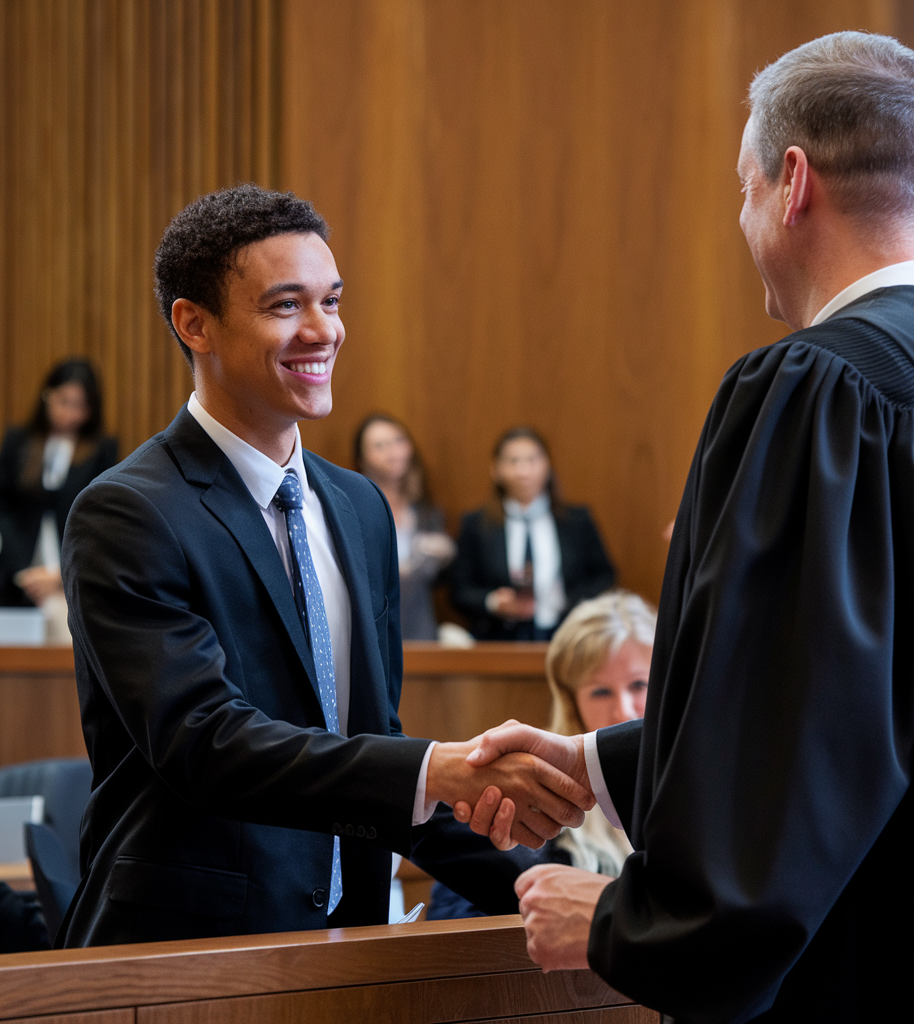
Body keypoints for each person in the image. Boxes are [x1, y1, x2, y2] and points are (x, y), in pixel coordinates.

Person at [461, 32, 914, 1022]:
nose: (742, 215)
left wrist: (625, 920)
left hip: (852, 971)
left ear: (792, 180)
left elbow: (811, 730)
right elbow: (911, 707)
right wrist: (592, 764)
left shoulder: (819, 387)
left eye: (741, 186)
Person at [56, 184, 591, 948]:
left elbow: (369, 751)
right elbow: (207, 745)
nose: (323, 331)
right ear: (193, 323)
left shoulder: (358, 506)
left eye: (332, 301)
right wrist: (437, 769)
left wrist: (565, 894)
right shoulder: (128, 512)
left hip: (348, 947)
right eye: (285, 306)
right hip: (184, 954)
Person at [429, 590, 655, 918]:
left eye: (639, 685)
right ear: (572, 702)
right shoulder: (528, 787)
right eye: (601, 692)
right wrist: (508, 866)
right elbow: (452, 927)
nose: (623, 711)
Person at [451, 426, 616, 640]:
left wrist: (567, 599)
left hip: (566, 634)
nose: (523, 471)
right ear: (495, 470)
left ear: (548, 465)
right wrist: (492, 601)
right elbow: (459, 589)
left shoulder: (576, 521)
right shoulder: (476, 524)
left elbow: (604, 575)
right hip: (499, 638)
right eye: (513, 461)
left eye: (532, 460)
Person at [0, 359, 117, 611]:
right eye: (63, 400)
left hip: (71, 575)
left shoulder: (101, 451)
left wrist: (60, 576)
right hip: (17, 571)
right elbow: (4, 507)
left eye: (80, 405)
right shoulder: (18, 442)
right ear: (47, 396)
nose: (70, 413)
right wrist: (24, 570)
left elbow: (100, 522)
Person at [353, 414, 455, 640]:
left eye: (398, 441)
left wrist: (446, 552)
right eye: (380, 445)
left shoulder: (427, 513)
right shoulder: (352, 512)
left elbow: (443, 579)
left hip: (421, 633)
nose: (393, 451)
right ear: (361, 460)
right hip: (372, 634)